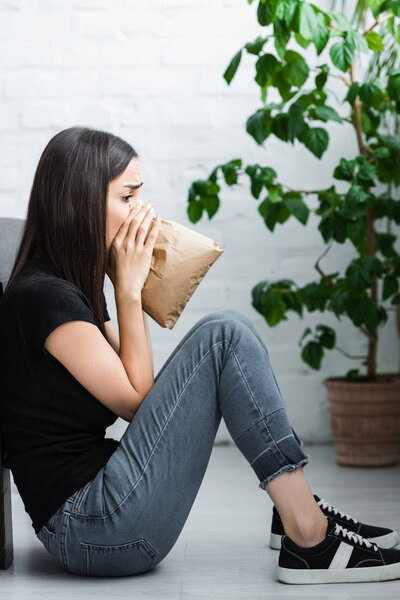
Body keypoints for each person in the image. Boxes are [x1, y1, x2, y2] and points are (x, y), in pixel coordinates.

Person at [1, 126, 399, 585]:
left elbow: (135, 386)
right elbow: (135, 402)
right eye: (128, 197)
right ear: (83, 204)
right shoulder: (44, 298)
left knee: (224, 331)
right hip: (93, 527)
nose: (141, 212)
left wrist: (122, 285)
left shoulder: (66, 285)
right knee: (223, 336)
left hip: (100, 508)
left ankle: (297, 509)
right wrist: (129, 289)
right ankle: (308, 534)